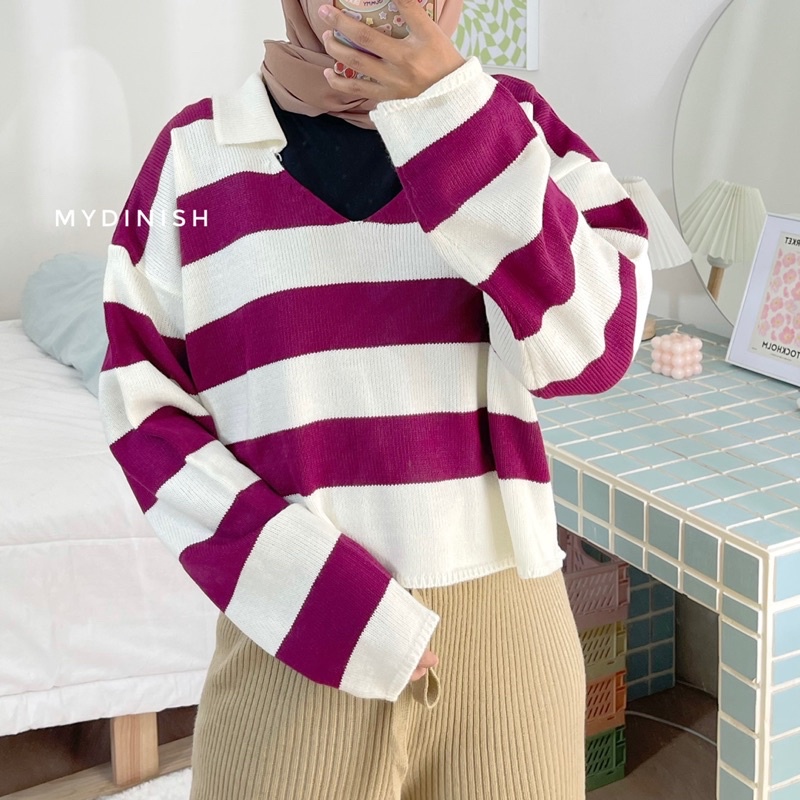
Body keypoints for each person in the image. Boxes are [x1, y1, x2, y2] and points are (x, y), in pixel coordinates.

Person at [98, 0, 652, 797]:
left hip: (508, 648)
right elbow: (141, 411)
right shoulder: (194, 156)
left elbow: (597, 349)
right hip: (294, 652)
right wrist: (319, 599)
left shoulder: (513, 125)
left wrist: (452, 115)